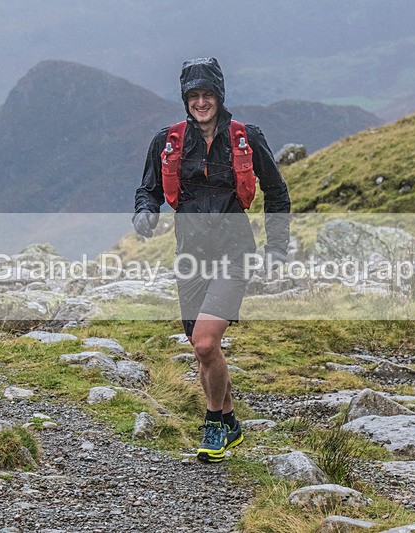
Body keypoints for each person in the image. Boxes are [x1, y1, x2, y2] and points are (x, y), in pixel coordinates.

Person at [133, 58, 291, 462]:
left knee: (205, 342)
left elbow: (277, 194)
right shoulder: (165, 141)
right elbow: (147, 190)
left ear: (219, 97)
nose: (201, 102)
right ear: (185, 99)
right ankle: (232, 421)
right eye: (194, 96)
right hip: (189, 255)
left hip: (235, 251)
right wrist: (144, 213)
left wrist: (276, 247)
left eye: (208, 95)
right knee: (204, 348)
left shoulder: (247, 138)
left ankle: (214, 423)